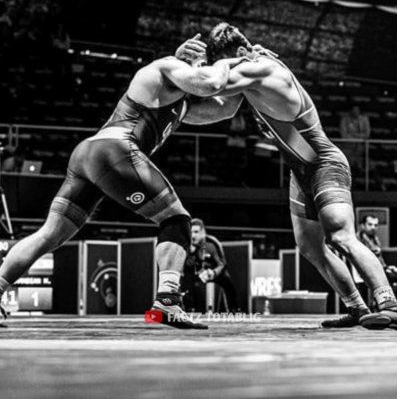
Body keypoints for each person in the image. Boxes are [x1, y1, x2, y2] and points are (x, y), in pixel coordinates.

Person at [0, 35, 244, 329]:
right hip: (114, 150)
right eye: (201, 63)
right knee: (177, 220)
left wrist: (247, 78)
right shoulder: (165, 66)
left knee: (49, 235)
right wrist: (233, 61)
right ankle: (167, 302)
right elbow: (211, 84)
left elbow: (225, 108)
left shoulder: (180, 104)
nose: (204, 69)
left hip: (90, 156)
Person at [176, 23, 397, 330]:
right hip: (300, 171)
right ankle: (357, 308)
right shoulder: (249, 76)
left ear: (241, 53)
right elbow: (221, 110)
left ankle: (390, 304)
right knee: (310, 246)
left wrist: (183, 63)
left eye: (227, 63)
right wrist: (174, 114)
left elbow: (208, 85)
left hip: (324, 164)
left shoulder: (265, 69)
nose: (226, 69)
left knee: (340, 236)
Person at [183, 218, 238, 312]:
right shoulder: (186, 243)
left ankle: (234, 309)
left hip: (214, 273)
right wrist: (190, 252)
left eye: (196, 232)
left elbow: (222, 264)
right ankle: (190, 309)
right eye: (191, 232)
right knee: (186, 280)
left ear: (202, 232)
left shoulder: (212, 242)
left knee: (227, 281)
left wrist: (213, 272)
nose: (193, 236)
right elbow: (186, 266)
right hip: (198, 274)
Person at [357, 215, 397, 298]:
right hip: (370, 271)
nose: (373, 227)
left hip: (380, 269)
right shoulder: (359, 239)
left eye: (375, 225)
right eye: (370, 224)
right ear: (363, 225)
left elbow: (380, 258)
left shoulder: (374, 238)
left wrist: (387, 267)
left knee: (396, 273)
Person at [340, 105, 370, 177]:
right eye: (353, 110)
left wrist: (353, 134)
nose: (355, 112)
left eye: (357, 110)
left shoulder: (364, 119)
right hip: (348, 148)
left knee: (364, 164)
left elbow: (367, 135)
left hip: (361, 148)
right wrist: (359, 136)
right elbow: (344, 135)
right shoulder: (345, 119)